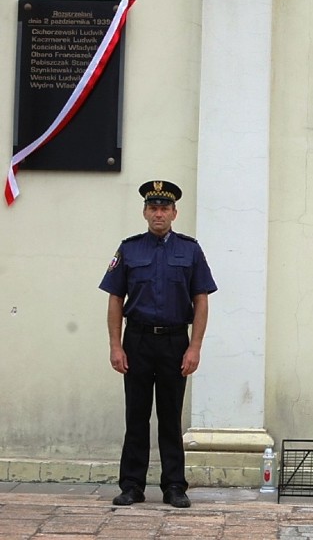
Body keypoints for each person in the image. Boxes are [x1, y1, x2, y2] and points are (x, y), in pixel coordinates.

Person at [99, 180, 217, 508]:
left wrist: (194, 347)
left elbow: (201, 300)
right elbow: (115, 299)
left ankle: (174, 486)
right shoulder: (129, 249)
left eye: (165, 208)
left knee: (169, 416)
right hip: (136, 340)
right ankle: (132, 486)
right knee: (136, 416)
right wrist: (115, 345)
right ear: (145, 212)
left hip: (174, 341)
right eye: (153, 208)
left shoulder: (190, 250)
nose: (159, 214)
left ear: (175, 212)